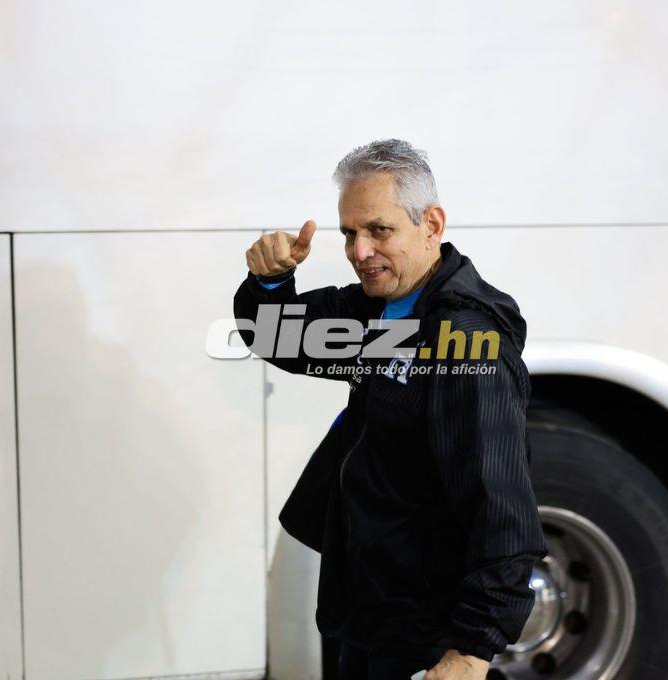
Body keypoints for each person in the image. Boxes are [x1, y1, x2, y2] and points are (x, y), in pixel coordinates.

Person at [233, 139, 548, 680]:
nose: (359, 252)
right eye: (350, 234)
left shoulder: (466, 339)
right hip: (367, 614)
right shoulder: (378, 308)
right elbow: (277, 337)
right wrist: (269, 283)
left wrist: (471, 651)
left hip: (423, 636)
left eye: (380, 230)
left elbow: (499, 508)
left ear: (432, 225)